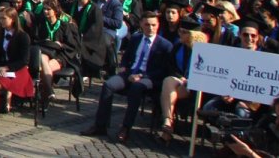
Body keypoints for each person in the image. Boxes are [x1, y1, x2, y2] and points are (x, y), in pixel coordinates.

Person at [82, 12, 172, 142]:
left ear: (158, 25)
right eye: (147, 25)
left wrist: (141, 76)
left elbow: (163, 70)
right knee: (108, 85)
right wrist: (124, 67)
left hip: (149, 77)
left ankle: (126, 127)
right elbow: (126, 57)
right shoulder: (136, 38)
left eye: (153, 25)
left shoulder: (165, 45)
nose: (150, 28)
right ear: (141, 24)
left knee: (136, 88)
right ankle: (100, 125)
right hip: (130, 73)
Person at [157, 18, 206, 143]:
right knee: (169, 81)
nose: (180, 34)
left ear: (193, 35)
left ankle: (167, 125)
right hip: (179, 83)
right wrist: (180, 77)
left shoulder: (204, 50)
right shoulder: (178, 46)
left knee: (168, 90)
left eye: (184, 32)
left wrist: (190, 79)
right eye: (180, 31)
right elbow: (170, 66)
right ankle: (168, 122)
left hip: (196, 88)